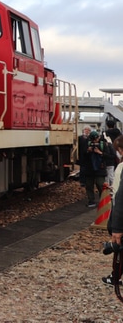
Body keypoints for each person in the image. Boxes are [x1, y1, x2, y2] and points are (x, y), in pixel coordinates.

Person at [103, 135, 123, 285]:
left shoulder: (121, 167)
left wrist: (115, 227)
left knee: (119, 253)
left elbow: (119, 198)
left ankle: (115, 277)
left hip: (120, 219)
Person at [84, 130, 107, 208]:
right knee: (89, 185)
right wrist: (88, 151)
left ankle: (102, 200)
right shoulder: (87, 144)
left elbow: (110, 156)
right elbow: (82, 156)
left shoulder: (103, 144)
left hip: (100, 168)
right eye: (93, 140)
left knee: (101, 185)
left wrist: (100, 152)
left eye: (96, 139)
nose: (95, 141)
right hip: (89, 168)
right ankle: (91, 200)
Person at [103, 119, 121, 187]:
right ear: (114, 125)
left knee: (109, 170)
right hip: (117, 149)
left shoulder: (105, 133)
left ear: (107, 126)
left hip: (110, 150)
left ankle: (109, 186)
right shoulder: (118, 132)